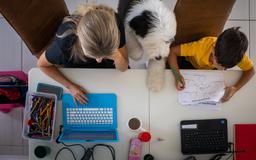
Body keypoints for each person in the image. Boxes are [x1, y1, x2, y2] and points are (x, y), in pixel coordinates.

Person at [37, 4, 128, 104]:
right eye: (94, 55)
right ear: (79, 37)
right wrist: (70, 86)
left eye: (104, 55)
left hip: (108, 75)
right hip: (79, 73)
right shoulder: (66, 41)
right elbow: (42, 65)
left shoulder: (115, 23)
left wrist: (116, 55)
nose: (99, 60)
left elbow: (124, 67)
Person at [168, 27, 255, 102]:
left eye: (225, 67)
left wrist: (235, 88)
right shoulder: (199, 47)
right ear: (213, 50)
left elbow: (250, 70)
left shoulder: (235, 55)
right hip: (190, 65)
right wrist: (177, 75)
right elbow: (173, 51)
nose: (222, 69)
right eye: (220, 64)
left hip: (210, 72)